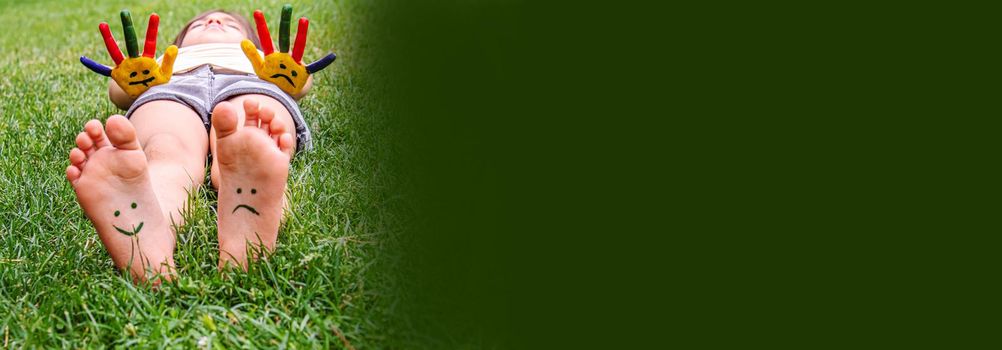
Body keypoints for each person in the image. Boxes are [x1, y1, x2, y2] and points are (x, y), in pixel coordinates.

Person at [65, 10, 312, 282]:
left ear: (252, 42)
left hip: (251, 85)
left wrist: (287, 68)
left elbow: (300, 83)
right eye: (198, 23)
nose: (214, 21)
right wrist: (128, 79)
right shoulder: (161, 63)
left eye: (229, 23)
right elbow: (120, 93)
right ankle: (150, 228)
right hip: (171, 89)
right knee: (166, 149)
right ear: (180, 41)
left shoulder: (266, 62)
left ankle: (253, 199)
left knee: (253, 135)